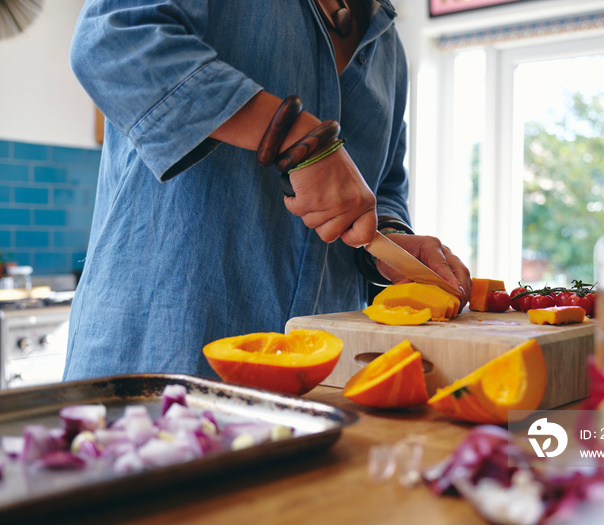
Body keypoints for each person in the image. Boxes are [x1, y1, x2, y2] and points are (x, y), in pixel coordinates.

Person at [63, 0, 471, 381]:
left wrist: (394, 240)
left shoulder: (389, 49)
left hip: (325, 377)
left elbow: (383, 185)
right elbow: (111, 39)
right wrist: (304, 142)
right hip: (160, 356)